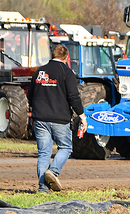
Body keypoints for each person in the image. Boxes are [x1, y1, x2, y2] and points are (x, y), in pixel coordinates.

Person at [28, 44, 86, 193]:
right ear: (67, 57)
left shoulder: (39, 72)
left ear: (52, 55)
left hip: (40, 119)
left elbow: (30, 95)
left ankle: (42, 188)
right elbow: (73, 97)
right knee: (66, 147)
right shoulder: (66, 72)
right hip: (60, 119)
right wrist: (82, 116)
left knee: (44, 153)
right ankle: (53, 172)